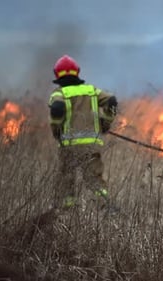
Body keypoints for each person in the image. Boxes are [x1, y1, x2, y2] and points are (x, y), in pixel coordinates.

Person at [48, 55, 118, 211]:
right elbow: (111, 101)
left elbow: (57, 109)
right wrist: (105, 123)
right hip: (91, 147)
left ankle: (68, 210)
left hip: (69, 147)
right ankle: (106, 208)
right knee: (95, 179)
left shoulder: (59, 94)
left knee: (67, 179)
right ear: (77, 72)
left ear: (57, 75)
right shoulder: (91, 90)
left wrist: (57, 132)